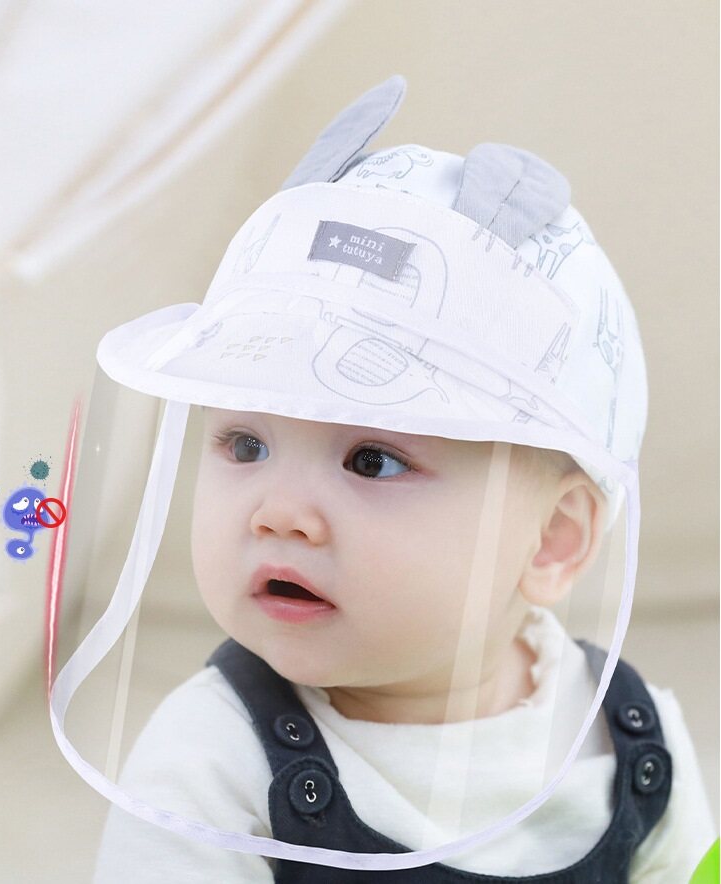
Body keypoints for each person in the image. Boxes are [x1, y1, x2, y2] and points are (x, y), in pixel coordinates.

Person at [82, 79, 716, 882]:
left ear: (552, 540)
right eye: (245, 444)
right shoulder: (207, 764)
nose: (279, 513)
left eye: (372, 460)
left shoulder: (632, 742)